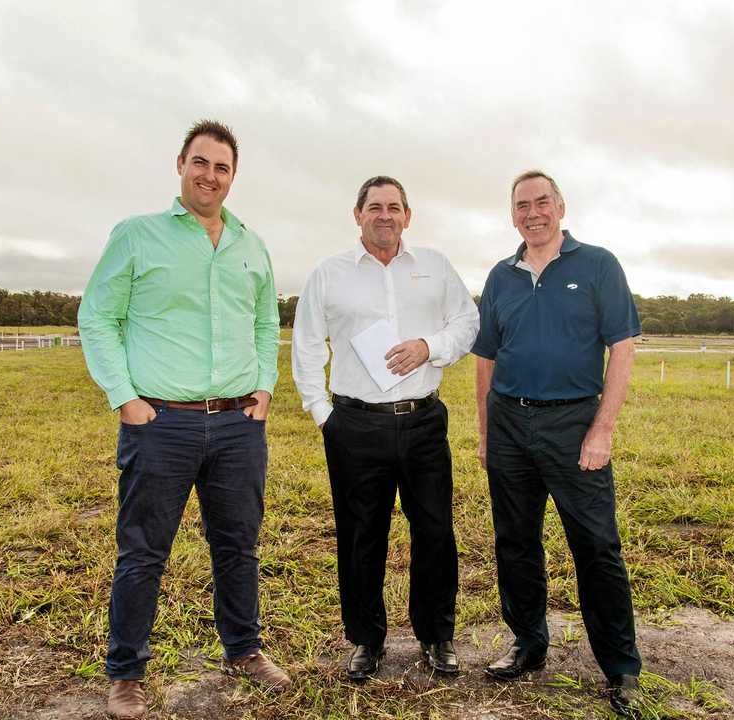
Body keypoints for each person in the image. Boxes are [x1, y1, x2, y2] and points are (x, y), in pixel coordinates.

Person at [78, 119, 290, 720]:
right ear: (180, 165)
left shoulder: (251, 244)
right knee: (143, 551)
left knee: (238, 545)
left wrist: (265, 390)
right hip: (161, 422)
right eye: (201, 162)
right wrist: (125, 398)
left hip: (236, 425)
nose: (210, 175)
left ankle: (245, 650)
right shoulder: (137, 236)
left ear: (233, 176)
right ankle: (126, 673)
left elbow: (263, 324)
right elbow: (98, 317)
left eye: (222, 167)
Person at [291, 176, 479, 681]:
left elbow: (467, 323)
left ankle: (436, 636)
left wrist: (429, 346)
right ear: (357, 215)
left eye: (394, 207)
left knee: (435, 531)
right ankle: (366, 640)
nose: (385, 215)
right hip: (355, 424)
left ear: (407, 216)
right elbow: (307, 343)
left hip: (422, 421)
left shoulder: (434, 267)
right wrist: (321, 412)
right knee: (360, 537)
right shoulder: (329, 274)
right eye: (374, 207)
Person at [471, 170, 643, 716]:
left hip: (574, 425)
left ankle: (620, 669)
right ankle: (528, 643)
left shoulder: (597, 265)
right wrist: (484, 430)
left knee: (596, 546)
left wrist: (603, 429)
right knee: (515, 541)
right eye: (522, 205)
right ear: (512, 214)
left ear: (561, 206)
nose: (533, 212)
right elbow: (486, 357)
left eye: (542, 202)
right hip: (509, 424)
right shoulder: (501, 276)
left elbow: (622, 346)